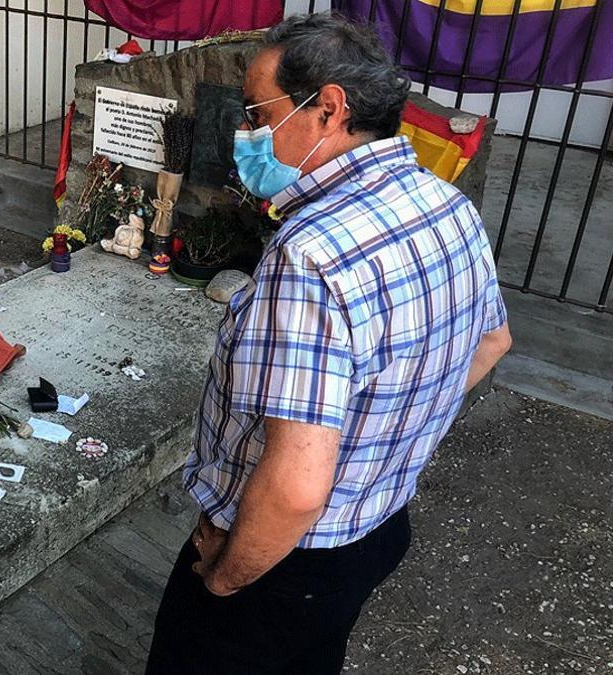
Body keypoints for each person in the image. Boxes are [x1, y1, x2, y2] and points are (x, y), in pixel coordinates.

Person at [146, 13, 511, 674]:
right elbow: (492, 340)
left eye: (260, 113)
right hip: (378, 527)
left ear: (329, 111)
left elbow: (296, 489)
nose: (246, 133)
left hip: (281, 558)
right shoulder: (443, 201)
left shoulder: (312, 254)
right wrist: (387, 433)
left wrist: (227, 579)